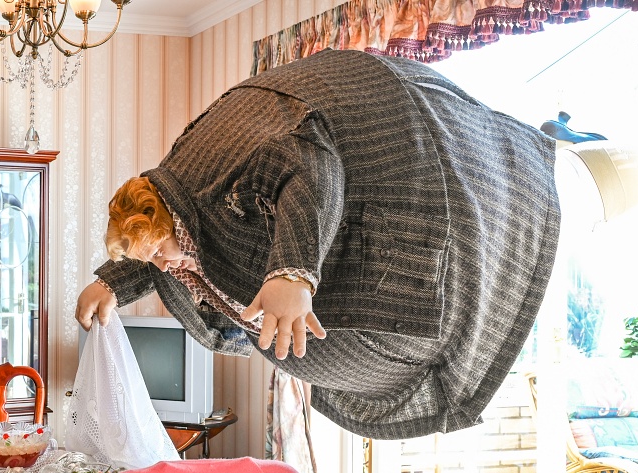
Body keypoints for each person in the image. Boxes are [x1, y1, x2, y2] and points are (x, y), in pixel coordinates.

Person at [76, 48, 560, 441]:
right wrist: (112, 282)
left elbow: (312, 167)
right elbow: (168, 249)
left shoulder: (222, 177)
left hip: (421, 175)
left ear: (166, 219)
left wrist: (292, 272)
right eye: (153, 259)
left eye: (159, 252)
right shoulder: (178, 204)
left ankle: (546, 144)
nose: (162, 266)